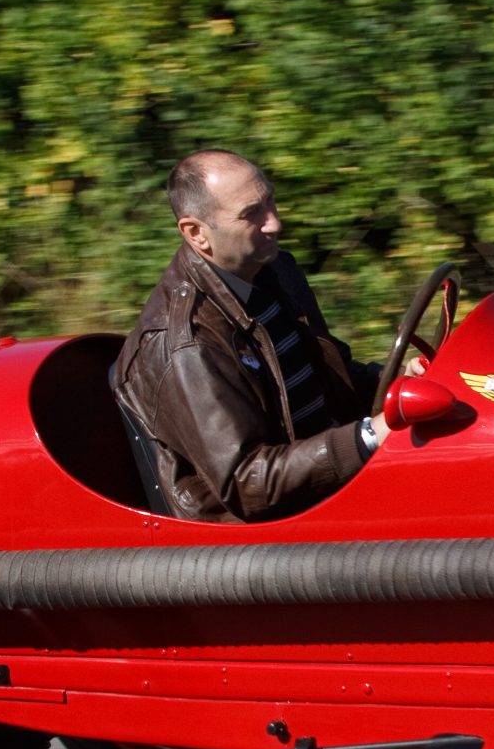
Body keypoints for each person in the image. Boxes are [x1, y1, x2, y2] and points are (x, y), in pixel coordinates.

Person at [112, 150, 386, 521]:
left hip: (326, 484)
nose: (274, 223)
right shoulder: (189, 343)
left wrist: (400, 381)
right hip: (257, 540)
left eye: (270, 201)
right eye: (251, 213)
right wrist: (368, 437)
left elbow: (326, 378)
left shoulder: (274, 271)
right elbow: (248, 482)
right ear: (197, 233)